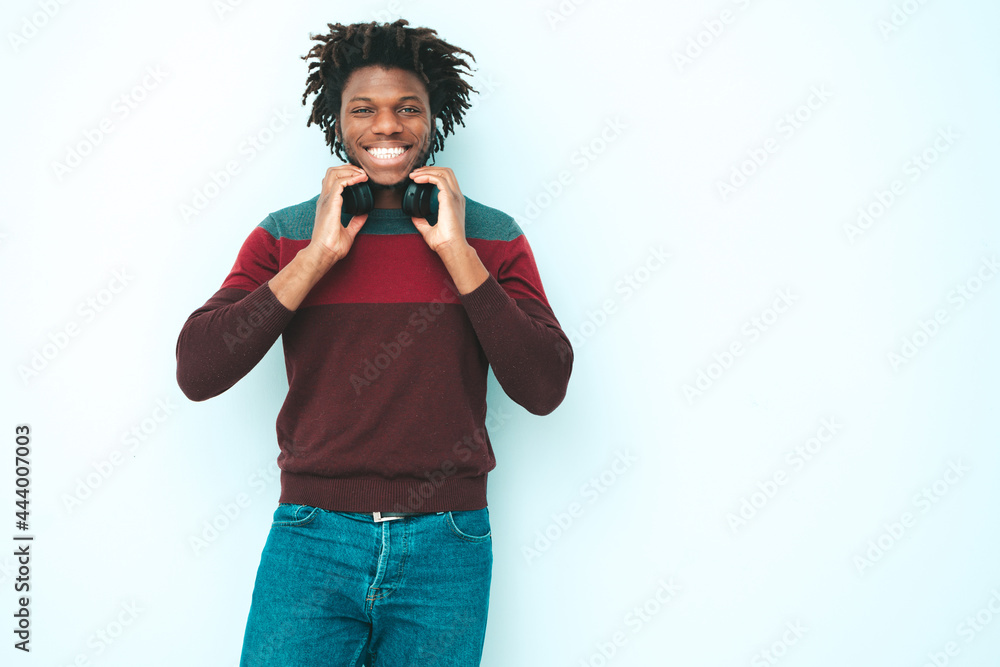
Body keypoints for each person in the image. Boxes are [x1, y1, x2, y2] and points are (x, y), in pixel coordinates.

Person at [175, 18, 573, 667]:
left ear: (433, 117)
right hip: (312, 539)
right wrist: (319, 255)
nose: (386, 126)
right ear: (336, 120)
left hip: (447, 544)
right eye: (364, 108)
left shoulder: (494, 238)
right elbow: (198, 368)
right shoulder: (285, 235)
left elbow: (545, 384)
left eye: (406, 108)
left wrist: (455, 251)